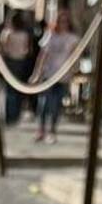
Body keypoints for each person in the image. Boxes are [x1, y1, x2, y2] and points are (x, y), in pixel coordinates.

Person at [33, 10, 79, 144]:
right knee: (44, 103)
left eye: (65, 21)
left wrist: (74, 70)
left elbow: (74, 56)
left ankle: (52, 131)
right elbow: (42, 55)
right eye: (60, 21)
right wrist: (37, 73)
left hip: (63, 76)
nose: (62, 24)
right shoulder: (50, 36)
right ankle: (41, 129)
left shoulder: (72, 38)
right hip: (48, 74)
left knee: (56, 105)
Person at [0, 12, 32, 125]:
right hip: (21, 61)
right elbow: (27, 49)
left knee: (9, 90)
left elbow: (3, 49)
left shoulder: (8, 33)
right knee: (17, 89)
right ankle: (15, 114)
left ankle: (9, 115)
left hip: (10, 61)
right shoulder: (24, 34)